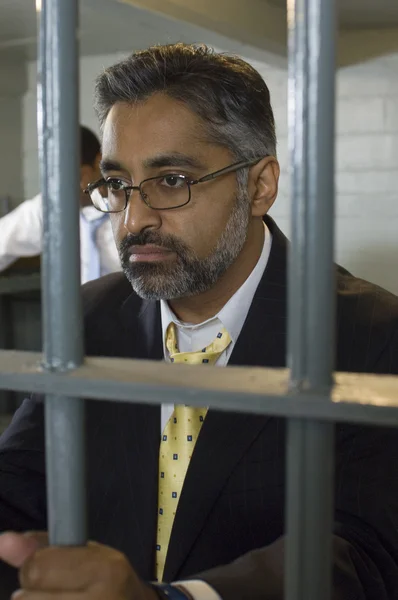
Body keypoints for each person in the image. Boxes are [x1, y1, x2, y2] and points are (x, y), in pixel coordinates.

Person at [0, 43, 398, 600]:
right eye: (117, 185)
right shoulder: (88, 317)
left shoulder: (372, 334)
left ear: (259, 186)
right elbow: (17, 485)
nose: (135, 220)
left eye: (171, 180)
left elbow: (366, 553)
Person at [0, 125, 120, 283]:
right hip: (75, 307)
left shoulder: (130, 211)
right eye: (59, 178)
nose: (76, 186)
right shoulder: (52, 208)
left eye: (79, 175)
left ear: (99, 162)